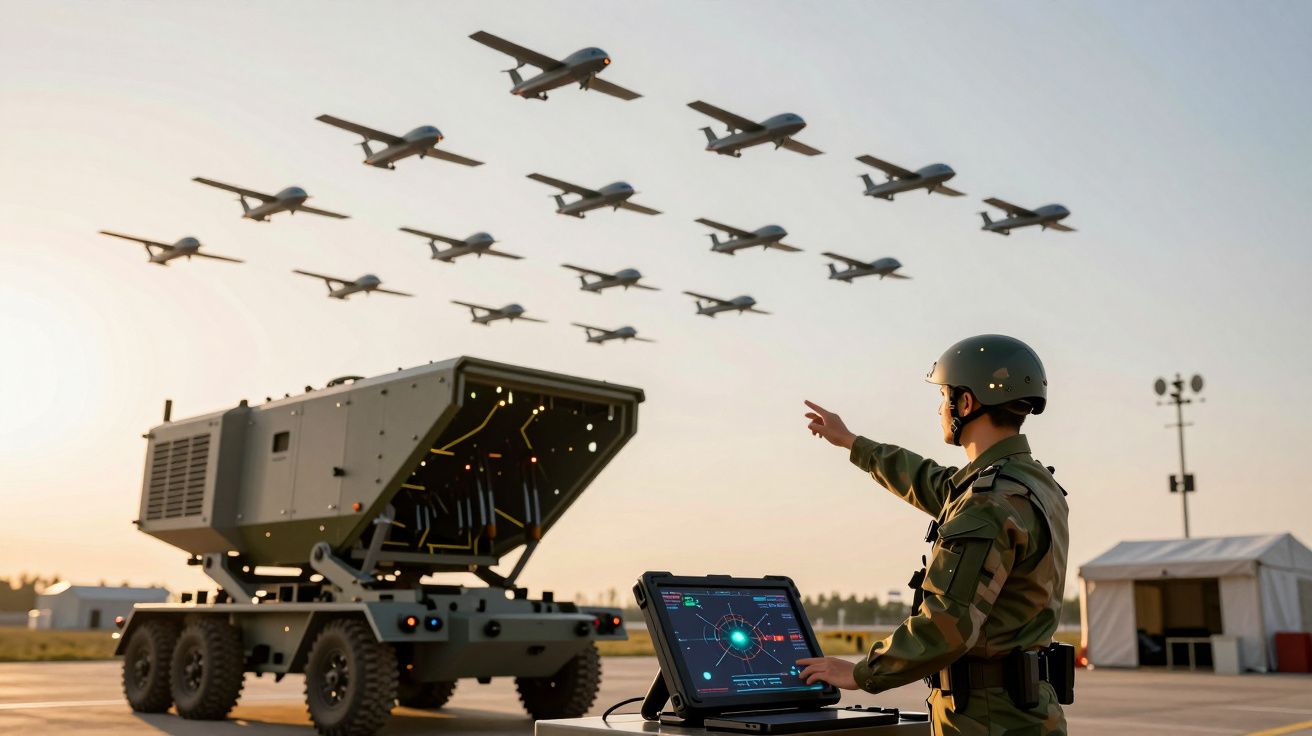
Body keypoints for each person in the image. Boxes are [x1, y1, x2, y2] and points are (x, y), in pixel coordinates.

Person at [796, 335, 1071, 735]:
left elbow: (946, 626)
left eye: (944, 395)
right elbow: (935, 484)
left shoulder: (988, 502)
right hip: (1024, 712)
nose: (940, 407)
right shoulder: (1032, 482)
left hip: (988, 720)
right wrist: (853, 443)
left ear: (966, 403)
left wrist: (861, 672)